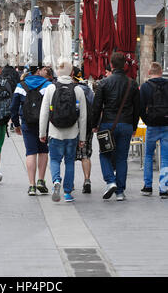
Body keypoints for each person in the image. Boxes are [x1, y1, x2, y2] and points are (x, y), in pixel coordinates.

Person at [92, 52, 140, 201]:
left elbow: (97, 106)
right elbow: (137, 108)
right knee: (121, 158)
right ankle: (120, 191)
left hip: (107, 124)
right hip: (126, 124)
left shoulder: (104, 83)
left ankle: (110, 180)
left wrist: (94, 124)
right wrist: (133, 126)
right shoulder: (132, 83)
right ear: (125, 65)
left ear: (111, 65)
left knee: (104, 154)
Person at [39, 59, 87, 202]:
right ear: (72, 73)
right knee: (70, 162)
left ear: (57, 73)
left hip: (55, 132)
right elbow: (83, 117)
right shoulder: (78, 90)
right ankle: (67, 192)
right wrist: (83, 137)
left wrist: (42, 133)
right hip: (72, 133)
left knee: (54, 160)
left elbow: (44, 113)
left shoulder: (50, 89)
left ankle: (55, 182)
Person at [11, 65, 51, 196]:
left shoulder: (20, 85)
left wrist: (16, 124)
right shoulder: (48, 85)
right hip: (44, 124)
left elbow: (13, 107)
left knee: (30, 153)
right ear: (39, 71)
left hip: (27, 123)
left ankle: (32, 185)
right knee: (43, 151)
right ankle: (41, 180)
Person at [139, 62, 168, 199]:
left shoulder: (145, 87)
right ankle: (164, 188)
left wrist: (147, 121)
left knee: (149, 156)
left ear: (150, 72)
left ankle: (148, 186)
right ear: (161, 71)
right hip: (166, 125)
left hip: (152, 126)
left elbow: (140, 108)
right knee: (165, 158)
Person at [72, 66, 94, 194]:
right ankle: (87, 180)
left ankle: (71, 182)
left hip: (73, 126)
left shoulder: (71, 89)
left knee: (71, 156)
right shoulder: (87, 89)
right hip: (87, 126)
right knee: (85, 154)